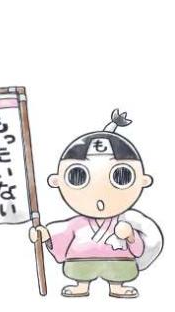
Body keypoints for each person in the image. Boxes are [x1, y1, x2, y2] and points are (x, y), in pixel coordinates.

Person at [29, 109, 163, 298]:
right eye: (78, 176)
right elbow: (62, 232)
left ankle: (117, 286)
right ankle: (81, 285)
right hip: (81, 262)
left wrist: (130, 236)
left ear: (143, 180)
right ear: (56, 181)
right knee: (78, 269)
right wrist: (44, 234)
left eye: (122, 176)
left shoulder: (125, 221)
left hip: (119, 263)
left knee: (121, 270)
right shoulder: (77, 223)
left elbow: (137, 249)